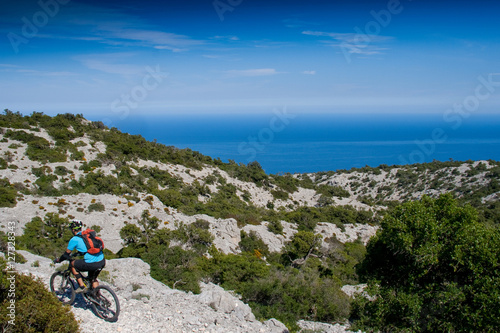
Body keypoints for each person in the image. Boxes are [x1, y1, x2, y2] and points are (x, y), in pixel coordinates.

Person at [55, 220, 105, 293]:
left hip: (92, 263)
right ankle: (98, 298)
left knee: (72, 264)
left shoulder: (74, 239)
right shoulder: (88, 235)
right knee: (93, 279)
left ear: (72, 230)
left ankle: (82, 286)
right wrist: (78, 254)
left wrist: (59, 260)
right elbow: (87, 249)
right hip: (102, 261)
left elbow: (66, 254)